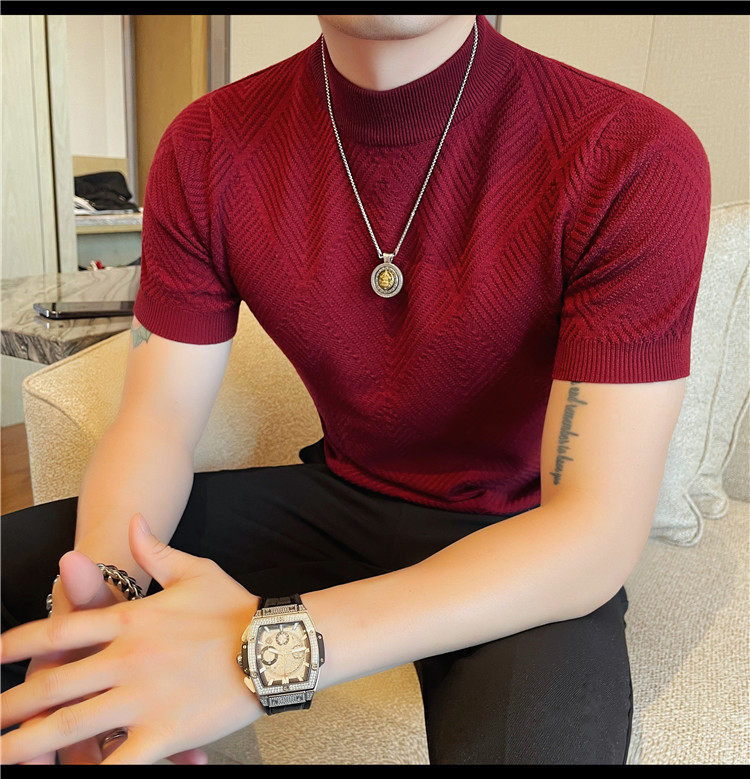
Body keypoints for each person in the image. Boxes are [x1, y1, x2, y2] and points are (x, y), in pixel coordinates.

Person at [1, 13, 711, 765]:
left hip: (524, 539)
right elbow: (157, 420)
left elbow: (595, 529)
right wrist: (102, 597)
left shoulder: (630, 152)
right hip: (342, 498)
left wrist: (260, 649)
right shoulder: (208, 145)